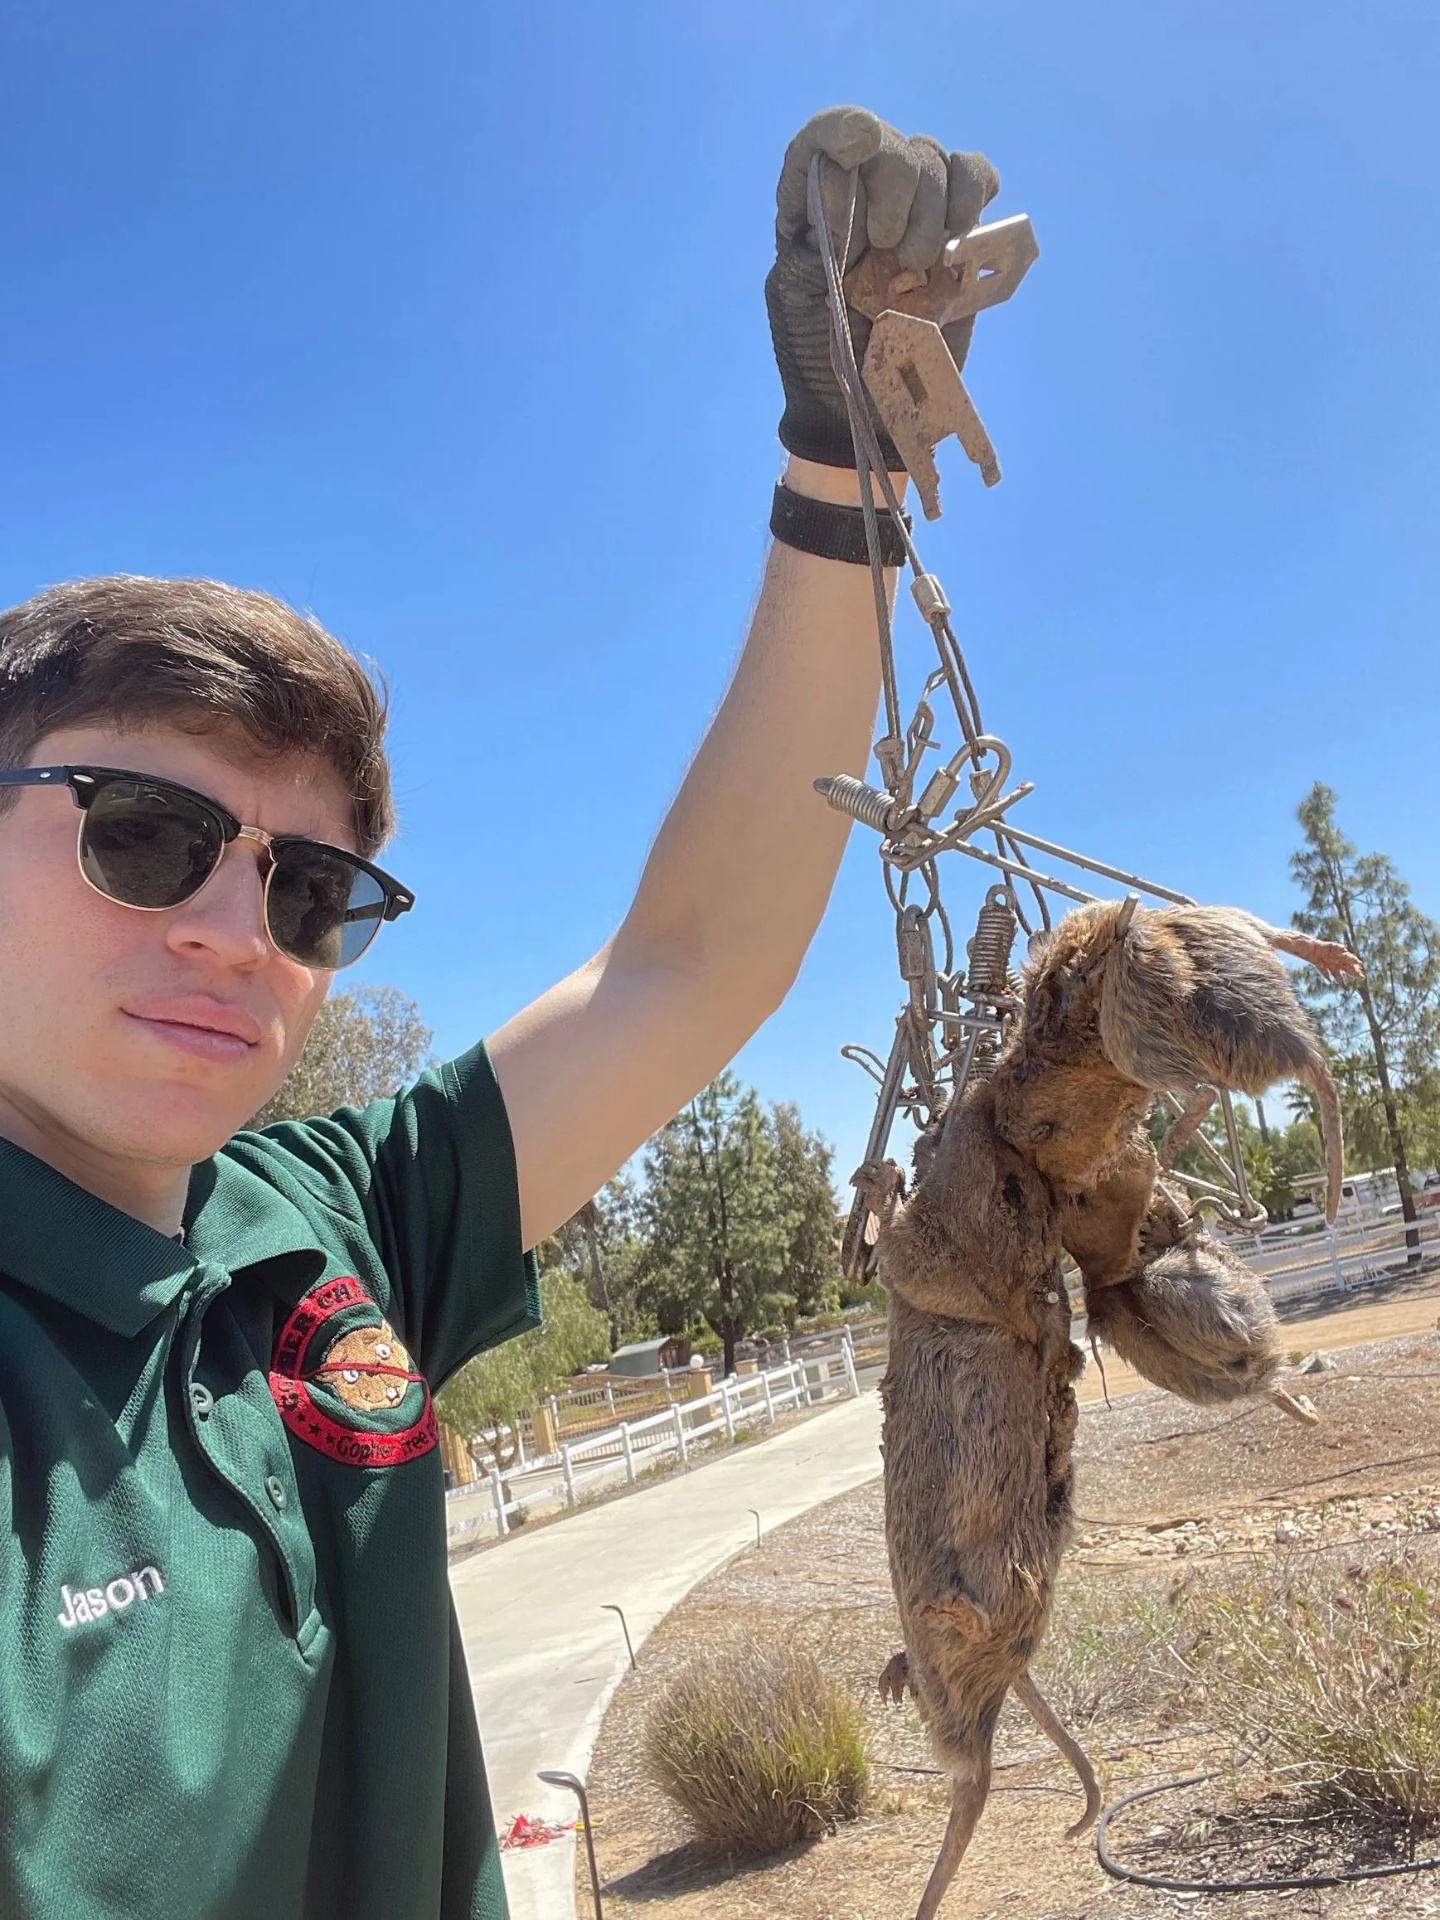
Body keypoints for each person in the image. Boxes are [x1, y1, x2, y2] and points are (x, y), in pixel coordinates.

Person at [0, 107, 998, 1920]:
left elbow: (688, 965)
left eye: (310, 891)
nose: (238, 932)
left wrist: (837, 461)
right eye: (144, 836)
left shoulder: (321, 1227)